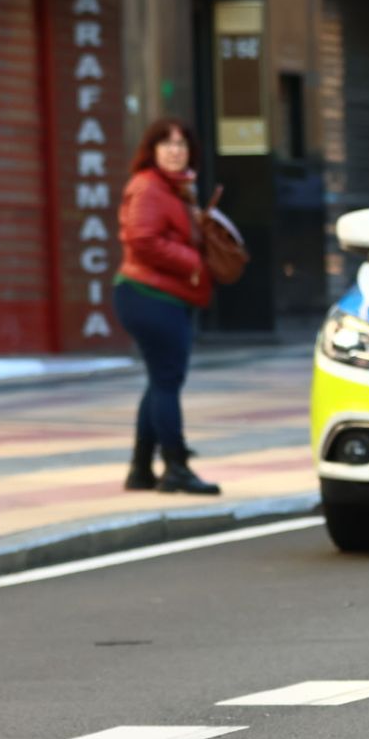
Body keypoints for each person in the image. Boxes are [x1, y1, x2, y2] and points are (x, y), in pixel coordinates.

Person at [114, 117, 220, 496]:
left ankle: (141, 470)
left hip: (162, 295)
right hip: (148, 295)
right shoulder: (148, 187)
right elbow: (142, 239)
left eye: (182, 145)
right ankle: (175, 467)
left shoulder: (175, 189)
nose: (176, 151)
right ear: (152, 151)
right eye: (167, 144)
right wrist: (194, 262)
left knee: (160, 380)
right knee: (167, 381)